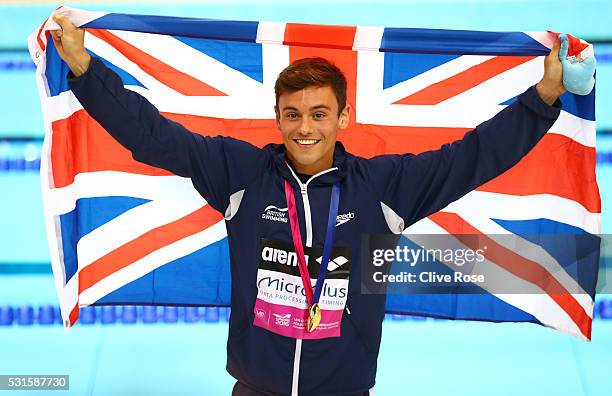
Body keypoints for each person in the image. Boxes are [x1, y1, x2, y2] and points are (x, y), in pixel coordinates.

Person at [51, 12, 574, 396]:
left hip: (345, 390)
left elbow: (472, 159)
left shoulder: (382, 187)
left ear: (343, 119)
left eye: (320, 114)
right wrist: (84, 68)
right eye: (294, 115)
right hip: (256, 388)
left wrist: (543, 97)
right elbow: (154, 136)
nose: (306, 128)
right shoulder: (241, 174)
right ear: (278, 118)